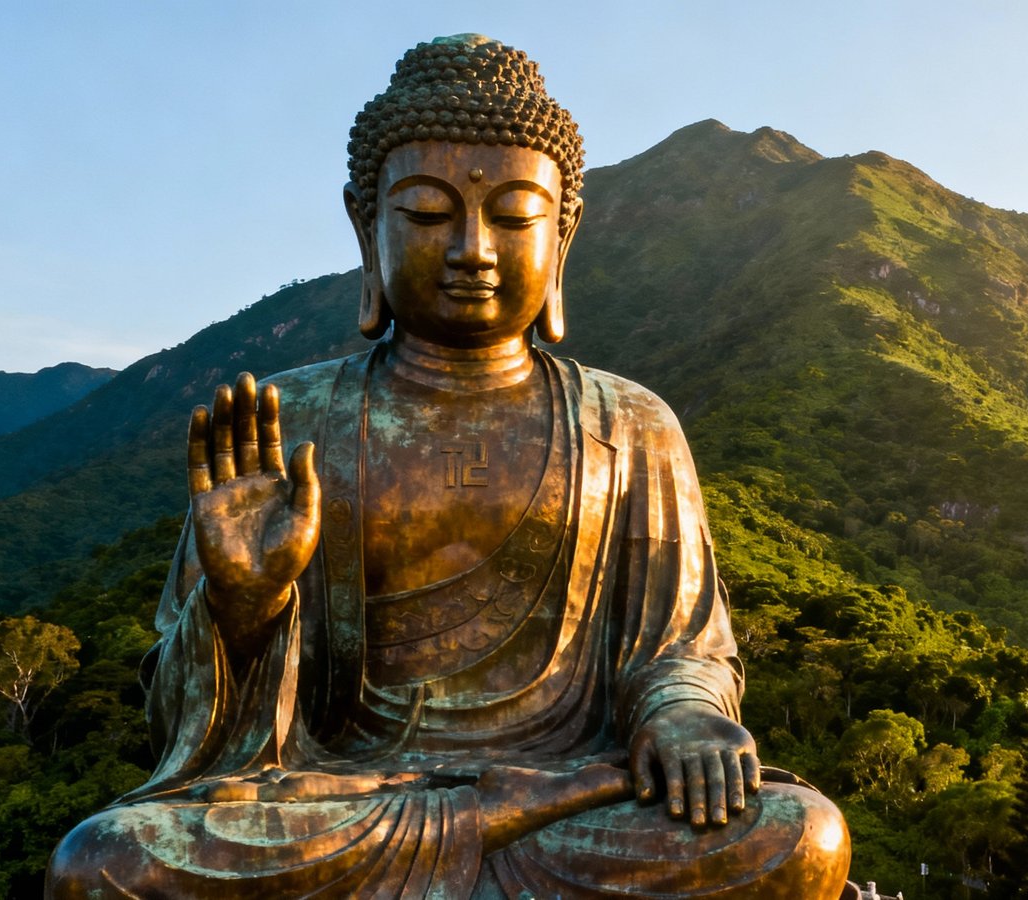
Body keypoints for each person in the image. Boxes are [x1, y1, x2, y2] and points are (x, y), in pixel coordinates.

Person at [48, 34, 851, 899]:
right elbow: (186, 722)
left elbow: (679, 647)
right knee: (105, 862)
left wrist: (685, 716)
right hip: (352, 799)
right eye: (429, 215)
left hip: (566, 807)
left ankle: (509, 817)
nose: (474, 248)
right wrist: (245, 603)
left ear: (563, 231)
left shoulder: (630, 424)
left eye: (512, 216)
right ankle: (486, 824)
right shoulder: (289, 421)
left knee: (801, 836)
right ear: (368, 227)